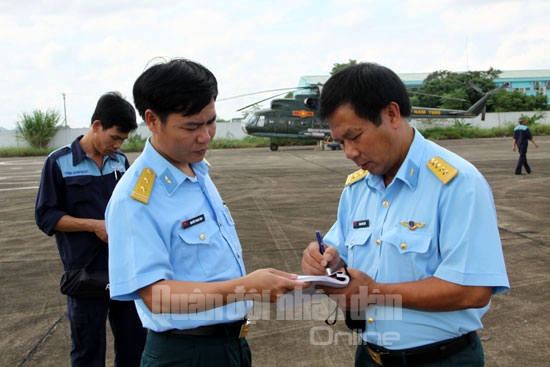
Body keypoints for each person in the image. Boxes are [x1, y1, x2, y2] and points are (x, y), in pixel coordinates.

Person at [301, 63, 510, 367]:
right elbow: (339, 255)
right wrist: (324, 261)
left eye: (355, 136)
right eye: (340, 142)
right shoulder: (358, 188)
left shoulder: (457, 183)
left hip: (440, 359)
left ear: (392, 115)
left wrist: (375, 293)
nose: (349, 152)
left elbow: (474, 290)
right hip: (370, 356)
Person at [105, 58, 306, 367]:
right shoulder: (137, 198)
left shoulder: (197, 171)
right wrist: (247, 286)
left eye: (210, 121)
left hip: (231, 347)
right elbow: (155, 296)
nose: (206, 135)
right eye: (191, 127)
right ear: (153, 120)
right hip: (185, 354)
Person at [35, 92, 147, 366]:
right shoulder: (59, 163)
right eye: (115, 137)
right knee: (88, 349)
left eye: (123, 140)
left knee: (135, 345)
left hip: (123, 270)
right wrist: (92, 225)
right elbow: (46, 216)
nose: (118, 145)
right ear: (97, 126)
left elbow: (133, 205)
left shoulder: (120, 162)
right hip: (85, 273)